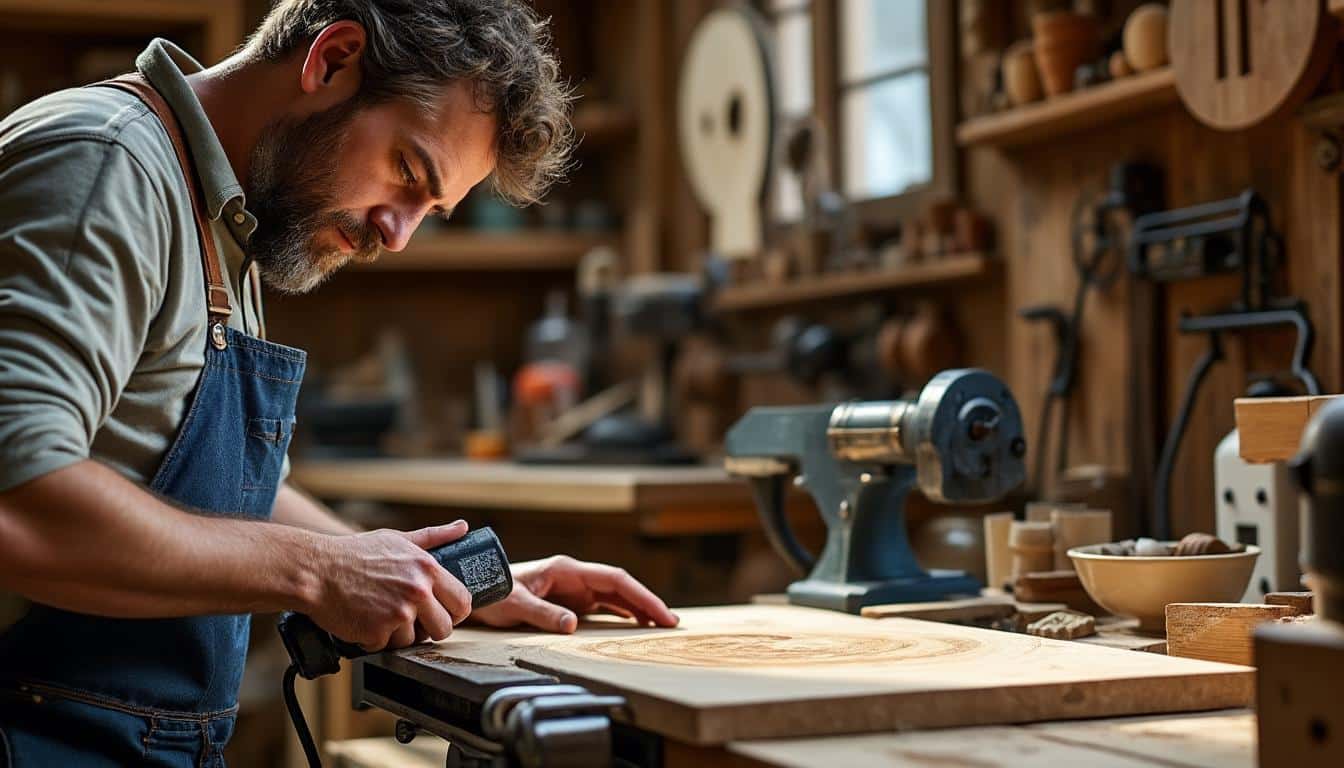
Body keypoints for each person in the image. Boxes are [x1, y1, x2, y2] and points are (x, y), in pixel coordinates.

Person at [0, 1, 677, 764]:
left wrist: (438, 585)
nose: (398, 235)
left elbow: (238, 500)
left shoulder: (222, 213)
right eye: (409, 174)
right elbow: (18, 500)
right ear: (331, 60)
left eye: (433, 210)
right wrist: (318, 572)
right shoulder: (110, 165)